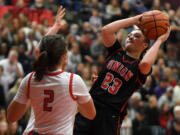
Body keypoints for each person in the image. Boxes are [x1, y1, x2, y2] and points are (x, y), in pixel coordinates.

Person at [74, 11, 171, 135]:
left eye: (136, 36)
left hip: (111, 116)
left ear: (145, 44)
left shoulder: (139, 67)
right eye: (130, 34)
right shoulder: (116, 52)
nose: (130, 37)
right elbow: (106, 30)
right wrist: (135, 20)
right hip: (90, 105)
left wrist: (159, 41)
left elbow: (146, 64)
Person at [7, 6, 96, 135]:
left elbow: (11, 117)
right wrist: (86, 95)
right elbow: (90, 114)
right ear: (65, 57)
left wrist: (55, 26)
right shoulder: (73, 81)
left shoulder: (31, 78)